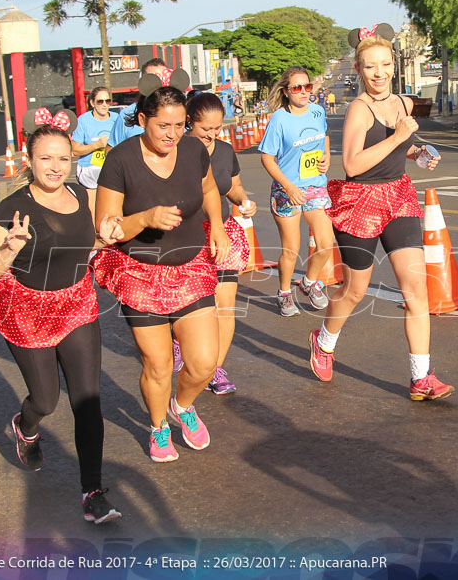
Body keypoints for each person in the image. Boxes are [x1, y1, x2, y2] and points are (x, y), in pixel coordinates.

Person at [0, 122, 125, 524]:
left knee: (87, 401)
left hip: (76, 303)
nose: (56, 167)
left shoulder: (79, 193)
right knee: (46, 399)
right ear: (29, 161)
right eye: (46, 158)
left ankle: (92, 492)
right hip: (28, 311)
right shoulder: (10, 209)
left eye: (63, 158)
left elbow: (80, 246)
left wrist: (104, 239)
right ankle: (26, 425)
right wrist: (10, 248)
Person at [308, 25, 454, 401]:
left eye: (385, 64)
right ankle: (324, 342)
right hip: (360, 202)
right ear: (358, 70)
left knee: (417, 289)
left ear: (394, 65)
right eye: (370, 66)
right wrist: (397, 137)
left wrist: (419, 153)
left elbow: (400, 150)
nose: (378, 73)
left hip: (398, 198)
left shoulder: (404, 104)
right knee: (355, 290)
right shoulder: (359, 109)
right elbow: (354, 165)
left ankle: (421, 378)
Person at [93, 83, 230, 463]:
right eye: (162, 126)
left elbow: (208, 190)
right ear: (142, 120)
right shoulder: (120, 160)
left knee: (204, 362)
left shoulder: (191, 149)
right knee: (158, 364)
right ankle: (158, 427)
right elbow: (106, 229)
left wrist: (216, 227)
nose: (172, 134)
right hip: (140, 274)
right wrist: (146, 218)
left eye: (179, 125)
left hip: (190, 268)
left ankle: (182, 404)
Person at [179, 92, 256, 394]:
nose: (212, 135)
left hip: (222, 233)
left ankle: (214, 369)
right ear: (189, 123)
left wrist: (244, 200)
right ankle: (180, 344)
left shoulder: (224, 151)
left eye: (216, 128)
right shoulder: (176, 150)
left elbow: (233, 187)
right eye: (205, 129)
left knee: (225, 306)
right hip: (186, 237)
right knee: (194, 307)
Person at [258, 67, 335, 317]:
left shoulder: (317, 111)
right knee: (291, 249)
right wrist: (289, 188)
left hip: (315, 185)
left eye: (307, 87)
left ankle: (308, 283)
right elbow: (267, 159)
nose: (303, 92)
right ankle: (283, 293)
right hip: (286, 190)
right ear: (286, 91)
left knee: (326, 243)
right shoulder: (279, 119)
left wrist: (326, 158)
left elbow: (324, 136)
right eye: (297, 88)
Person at [72, 87, 120, 215]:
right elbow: (75, 149)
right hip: (90, 168)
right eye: (100, 101)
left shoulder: (117, 118)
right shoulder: (83, 121)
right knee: (94, 211)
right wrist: (96, 145)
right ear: (92, 103)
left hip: (113, 168)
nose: (104, 105)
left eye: (107, 101)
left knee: (114, 208)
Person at [106, 58, 167, 150]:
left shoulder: (180, 112)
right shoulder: (127, 114)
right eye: (153, 79)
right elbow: (111, 150)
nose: (159, 84)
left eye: (163, 78)